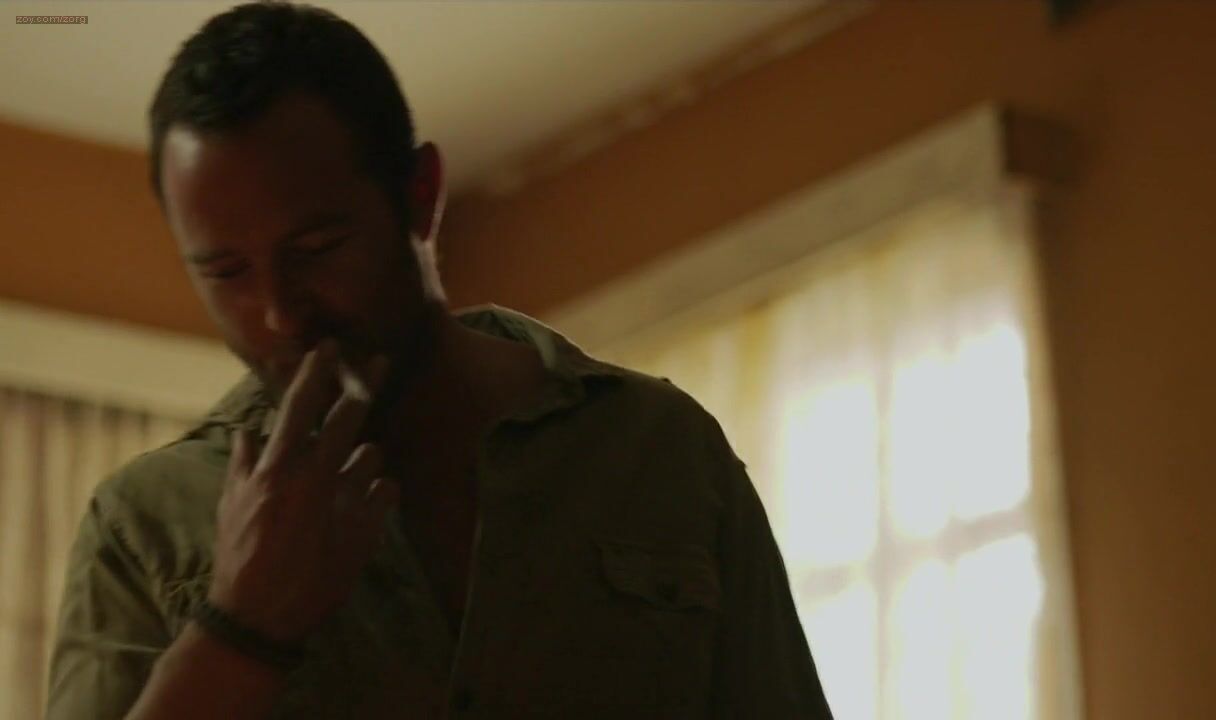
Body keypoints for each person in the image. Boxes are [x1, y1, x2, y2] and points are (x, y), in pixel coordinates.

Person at [45, 2, 833, 718]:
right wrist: (240, 629)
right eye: (225, 273)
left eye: (317, 247)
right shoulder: (143, 527)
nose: (279, 313)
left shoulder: (661, 451)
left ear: (420, 195)